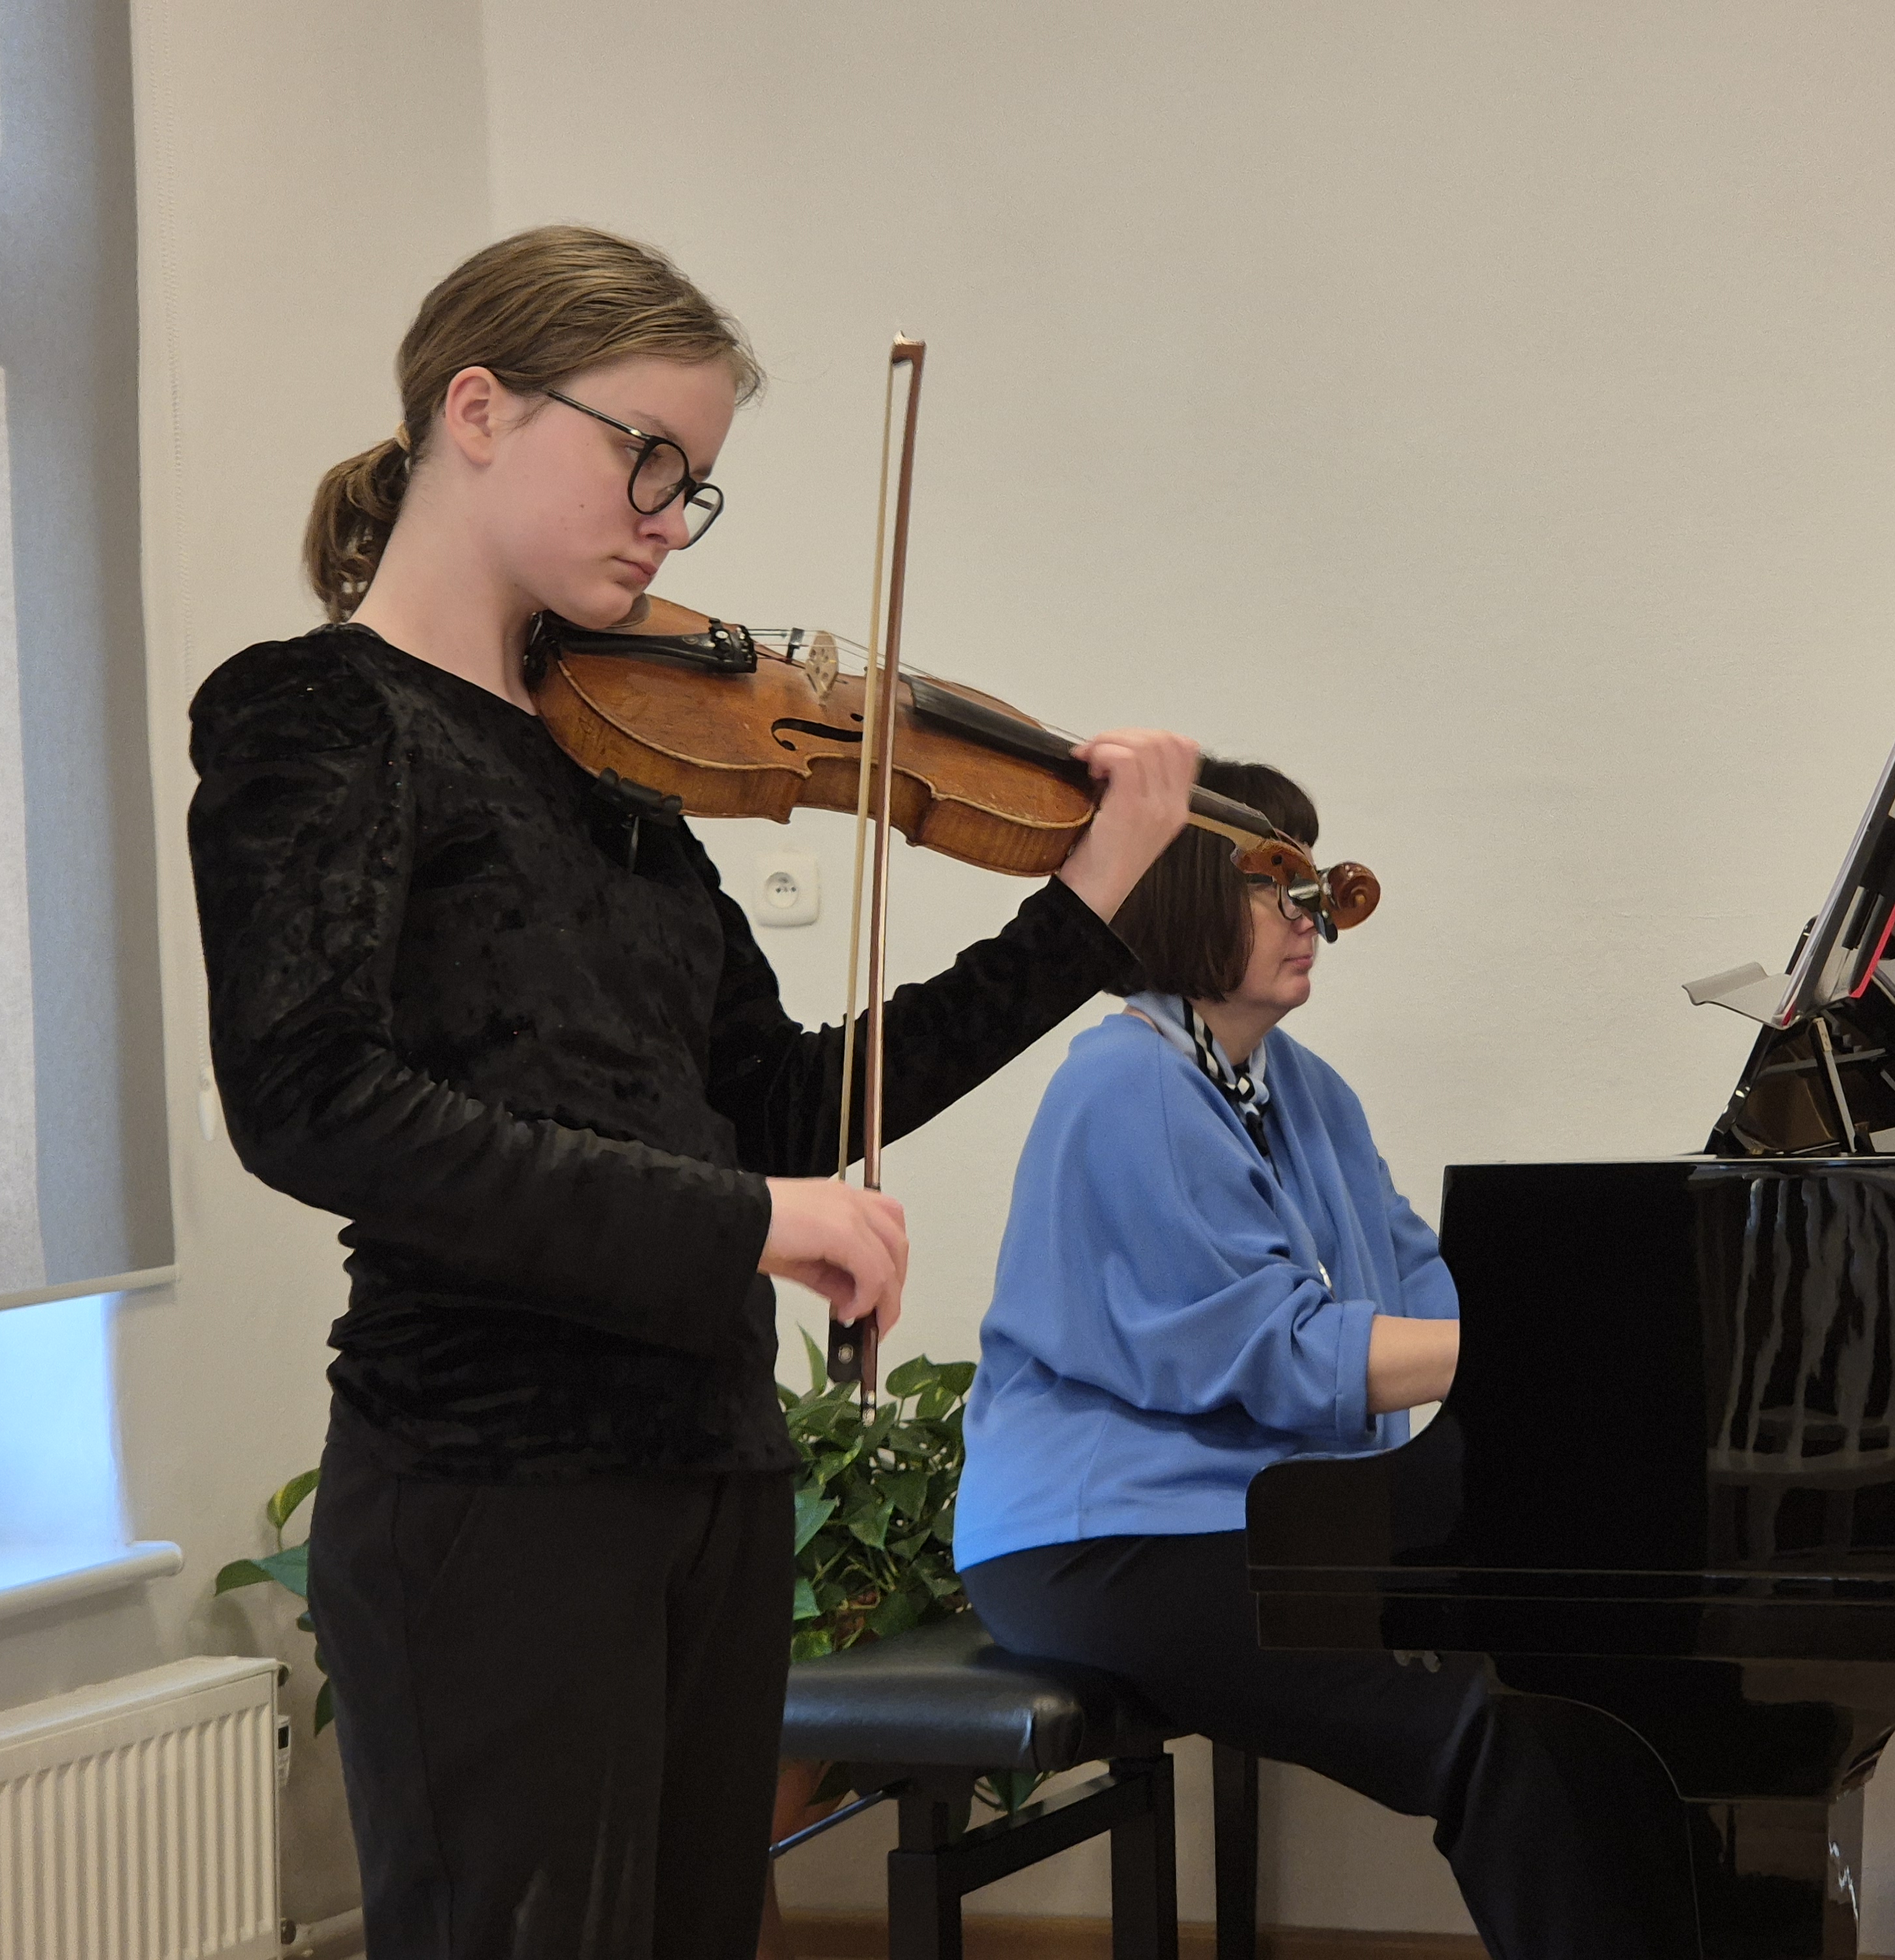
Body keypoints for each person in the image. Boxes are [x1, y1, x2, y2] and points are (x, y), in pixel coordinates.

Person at [186, 223, 1196, 1960]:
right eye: (645, 458)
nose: (669, 519)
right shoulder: (318, 717)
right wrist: (741, 1224)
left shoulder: (624, 775)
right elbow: (312, 1100)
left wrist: (1083, 911)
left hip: (710, 1474)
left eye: (693, 483)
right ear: (479, 411)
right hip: (489, 1487)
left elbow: (784, 1107)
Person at [953, 759, 1702, 1957]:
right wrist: (1550, 1355)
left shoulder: (1305, 1089)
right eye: (1274, 886)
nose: (1307, 916)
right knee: (1502, 1721)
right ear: (1182, 896)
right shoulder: (1126, 1082)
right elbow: (1280, 1353)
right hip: (1110, 1539)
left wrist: (1586, 1327)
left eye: (1310, 886)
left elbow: (1420, 1283)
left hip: (1260, 1509)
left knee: (1599, 1632)